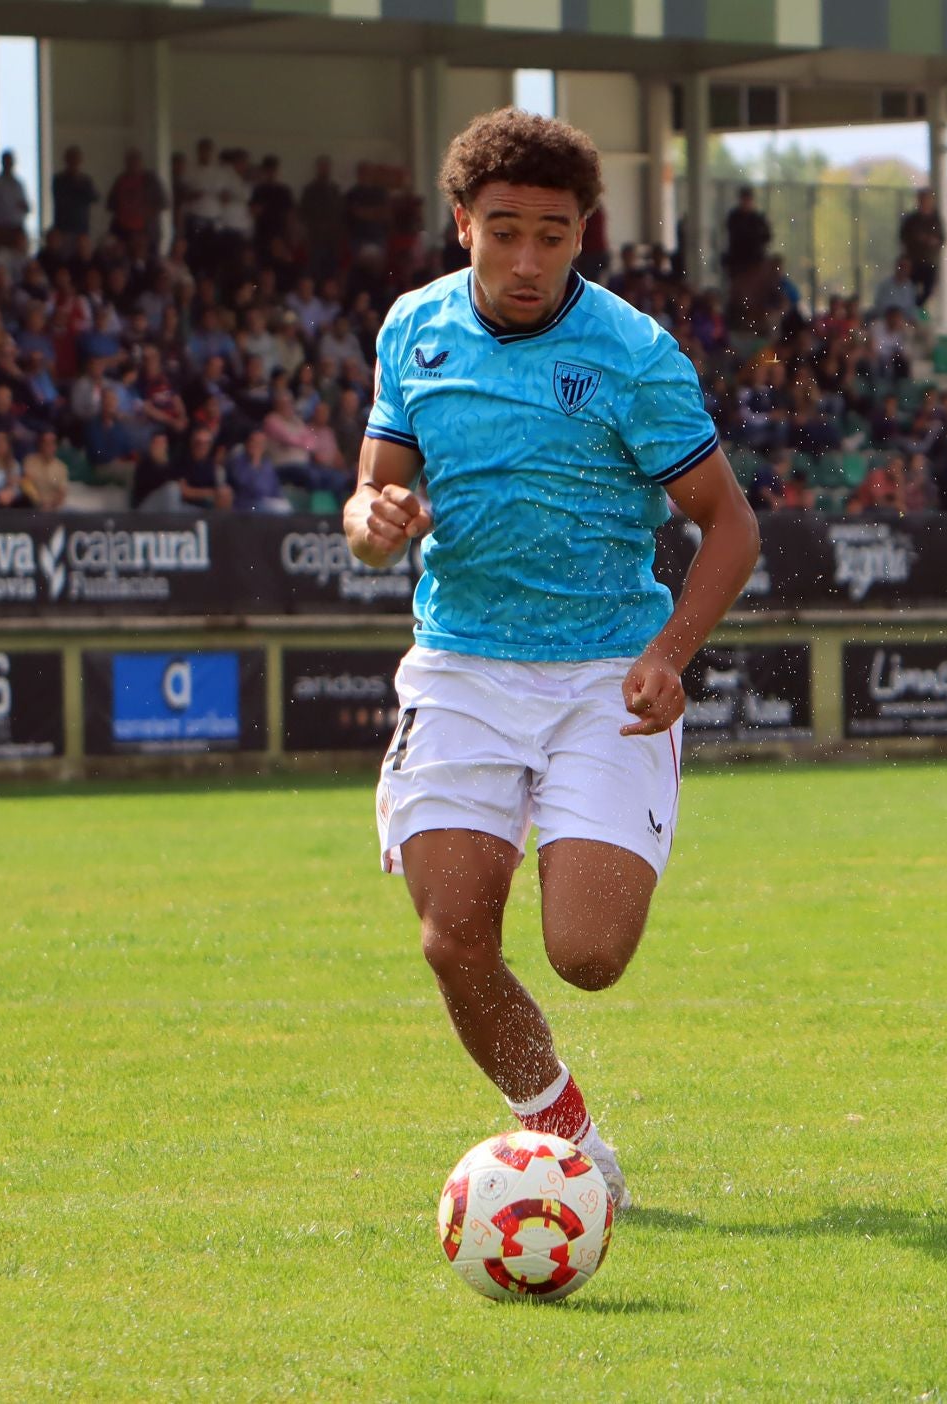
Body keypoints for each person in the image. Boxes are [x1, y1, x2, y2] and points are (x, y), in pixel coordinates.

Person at [343, 108, 759, 1215]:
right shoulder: (412, 329)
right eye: (504, 231)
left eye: (554, 236)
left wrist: (670, 654)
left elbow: (731, 526)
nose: (528, 260)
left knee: (586, 954)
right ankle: (564, 1135)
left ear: (587, 232)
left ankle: (593, 824)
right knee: (452, 939)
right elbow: (374, 493)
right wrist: (373, 519)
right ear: (463, 223)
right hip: (462, 667)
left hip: (604, 678)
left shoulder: (633, 354)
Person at [106, 148, 166, 245]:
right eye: (129, 161)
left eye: (135, 160)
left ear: (141, 162)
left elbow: (163, 202)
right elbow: (110, 204)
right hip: (123, 231)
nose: (132, 164)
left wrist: (146, 211)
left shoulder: (150, 179)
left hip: (145, 231)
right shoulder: (121, 179)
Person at [898, 188, 945, 307]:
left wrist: (931, 241)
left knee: (928, 290)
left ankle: (916, 309)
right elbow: (903, 237)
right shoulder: (912, 220)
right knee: (910, 290)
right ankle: (910, 311)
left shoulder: (935, 219)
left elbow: (942, 238)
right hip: (914, 261)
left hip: (930, 261)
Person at [722, 185, 771, 284]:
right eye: (744, 199)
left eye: (748, 199)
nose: (746, 203)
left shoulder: (758, 218)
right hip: (738, 261)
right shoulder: (734, 217)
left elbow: (766, 237)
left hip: (755, 261)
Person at [51, 147, 100, 240]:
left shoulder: (85, 180)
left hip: (81, 226)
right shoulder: (59, 180)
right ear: (66, 160)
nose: (74, 162)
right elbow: (62, 200)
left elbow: (95, 197)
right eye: (72, 159)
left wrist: (80, 184)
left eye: (76, 159)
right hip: (64, 227)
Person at [0, 151, 30, 250]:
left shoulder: (18, 184)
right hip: (1, 228)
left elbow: (25, 205)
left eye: (10, 162)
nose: (9, 164)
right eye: (6, 161)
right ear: (2, 162)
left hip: (17, 227)